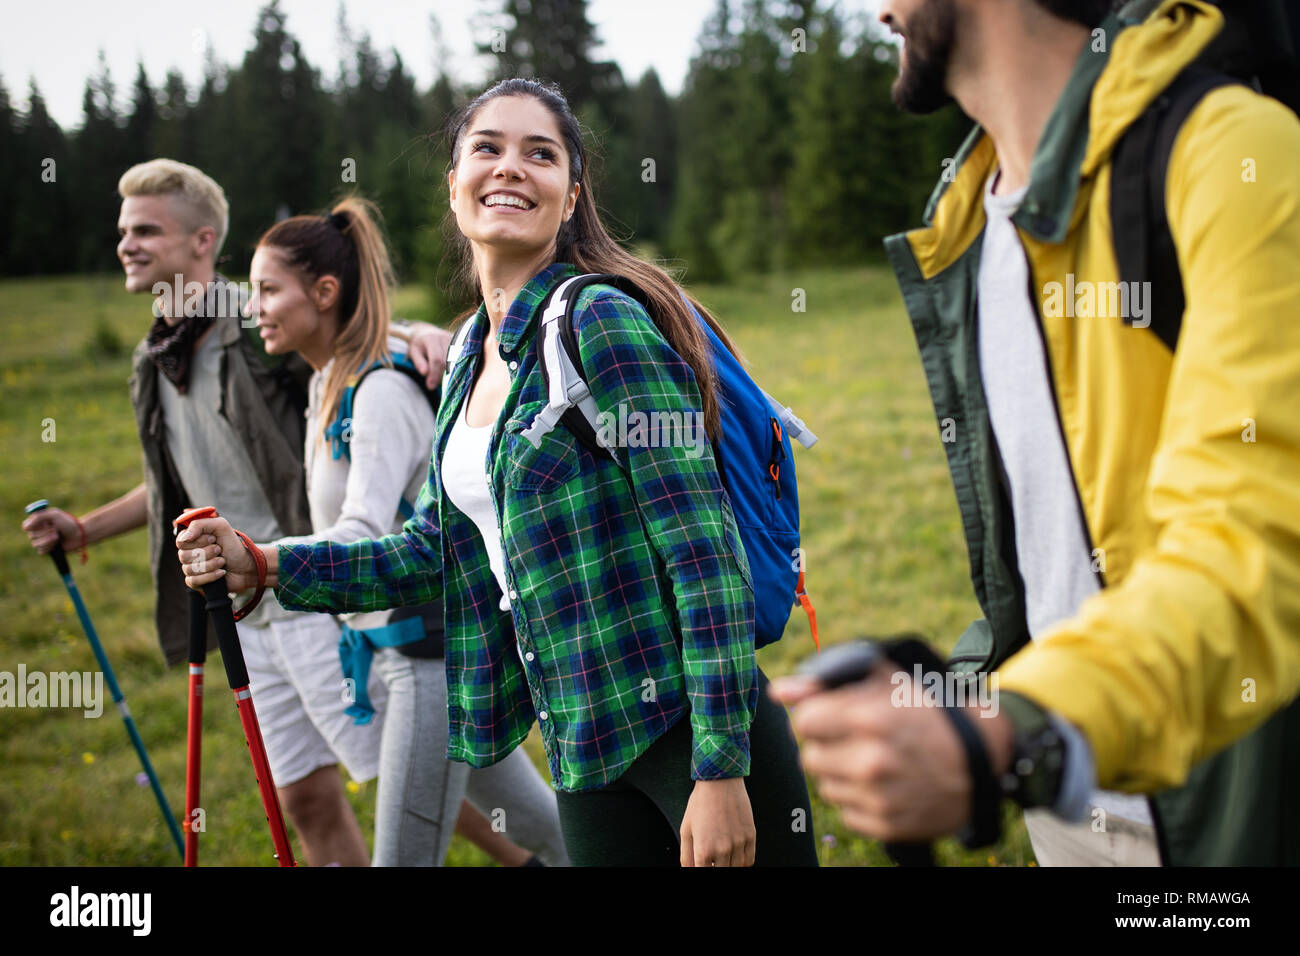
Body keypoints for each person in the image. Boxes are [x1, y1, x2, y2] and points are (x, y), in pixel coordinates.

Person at [176, 78, 819, 867]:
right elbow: (430, 550)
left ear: (571, 195)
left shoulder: (599, 322)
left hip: (689, 732)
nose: (511, 167)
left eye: (539, 154)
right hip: (582, 746)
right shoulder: (466, 359)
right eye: (488, 148)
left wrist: (719, 769)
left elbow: (702, 550)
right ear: (454, 187)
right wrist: (267, 564)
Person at [772, 0, 1300, 866]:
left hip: (1217, 800)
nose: (873, 10)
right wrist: (965, 693)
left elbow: (1256, 544)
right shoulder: (969, 227)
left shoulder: (1232, 152)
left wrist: (1016, 727)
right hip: (1056, 789)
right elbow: (1054, 552)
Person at [20, 159, 449, 866]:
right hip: (246, 609)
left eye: (146, 230)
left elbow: (334, 325)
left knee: (406, 777)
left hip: (309, 584)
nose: (126, 243)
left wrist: (415, 333)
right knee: (305, 797)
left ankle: (534, 854)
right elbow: (177, 484)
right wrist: (85, 528)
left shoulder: (247, 324)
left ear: (201, 241)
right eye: (123, 230)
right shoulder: (154, 355)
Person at [239, 195, 568, 866]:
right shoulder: (331, 378)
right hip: (400, 652)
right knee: (549, 829)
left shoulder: (380, 391)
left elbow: (363, 528)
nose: (254, 308)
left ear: (325, 292)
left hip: (432, 657)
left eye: (268, 290)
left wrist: (263, 563)